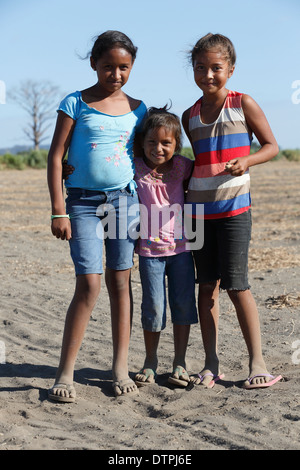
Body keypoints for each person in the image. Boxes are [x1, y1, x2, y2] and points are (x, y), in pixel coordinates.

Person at [47, 30, 147, 401]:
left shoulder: (139, 108)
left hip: (124, 202)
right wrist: (59, 210)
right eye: (108, 66)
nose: (116, 74)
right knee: (88, 284)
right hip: (82, 204)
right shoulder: (74, 102)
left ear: (132, 67)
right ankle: (65, 373)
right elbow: (56, 156)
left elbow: (148, 156)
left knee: (120, 282)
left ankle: (120, 367)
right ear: (94, 64)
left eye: (124, 67)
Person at [182, 33, 282, 389]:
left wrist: (248, 160)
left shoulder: (243, 104)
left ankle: (258, 363)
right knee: (206, 287)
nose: (207, 74)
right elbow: (199, 164)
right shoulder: (189, 115)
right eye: (200, 68)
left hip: (234, 211)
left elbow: (271, 146)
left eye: (216, 68)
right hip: (197, 213)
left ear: (231, 70)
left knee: (237, 287)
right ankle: (210, 364)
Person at [134, 106, 198, 388]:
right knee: (155, 306)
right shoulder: (135, 166)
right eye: (152, 142)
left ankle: (180, 362)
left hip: (182, 250)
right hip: (150, 254)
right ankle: (150, 361)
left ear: (176, 144)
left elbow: (208, 169)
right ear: (142, 142)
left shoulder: (184, 166)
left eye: (166, 143)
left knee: (183, 304)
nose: (158, 148)